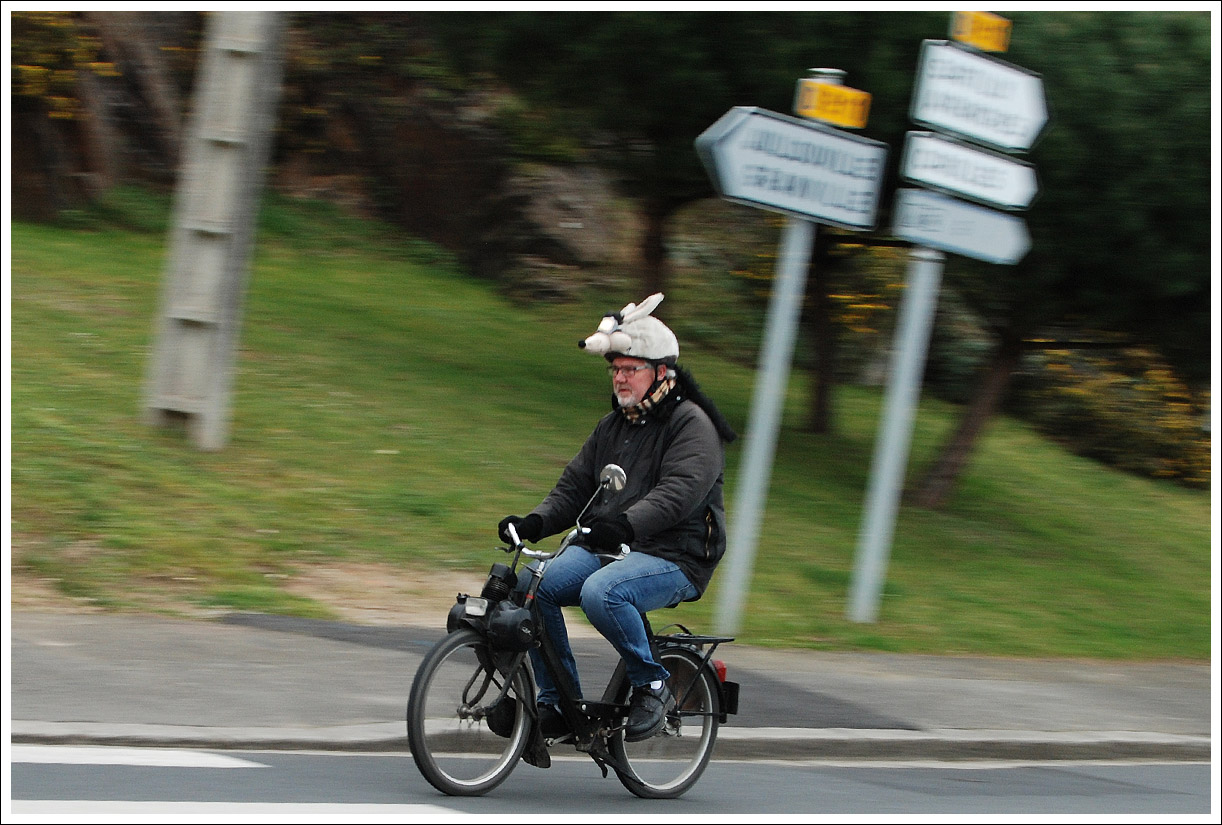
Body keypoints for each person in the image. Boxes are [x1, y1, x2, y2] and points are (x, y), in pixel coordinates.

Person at [498, 294, 736, 743]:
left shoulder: (692, 425)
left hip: (676, 555)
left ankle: (653, 684)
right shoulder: (615, 426)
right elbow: (574, 488)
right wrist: (533, 522)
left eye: (631, 369)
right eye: (616, 369)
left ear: (662, 372)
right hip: (614, 546)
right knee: (533, 585)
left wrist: (625, 524)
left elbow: (678, 494)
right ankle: (557, 704)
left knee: (601, 592)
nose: (620, 378)